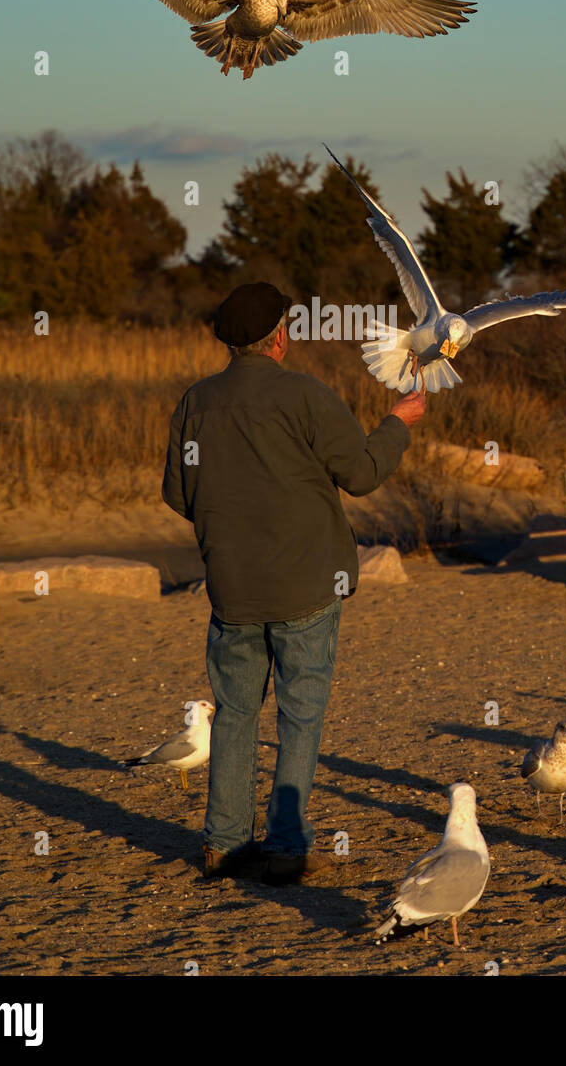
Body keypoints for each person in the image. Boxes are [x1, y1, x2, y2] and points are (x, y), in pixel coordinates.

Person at [162, 281, 425, 884]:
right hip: (307, 585)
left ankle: (224, 846)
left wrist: (230, 525)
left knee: (232, 713)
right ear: (281, 336)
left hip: (232, 588)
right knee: (300, 717)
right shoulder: (306, 395)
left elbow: (180, 492)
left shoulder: (195, 403)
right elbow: (360, 474)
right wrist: (398, 422)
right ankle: (285, 850)